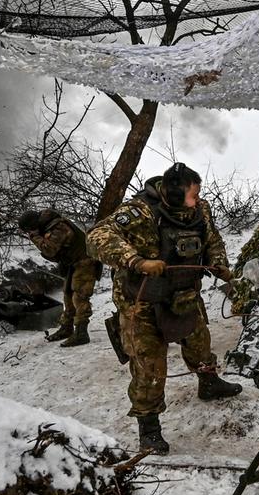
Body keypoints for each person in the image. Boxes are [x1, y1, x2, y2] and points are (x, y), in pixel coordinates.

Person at [87, 163, 241, 454]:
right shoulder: (139, 212)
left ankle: (209, 382)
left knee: (199, 342)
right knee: (150, 366)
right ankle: (149, 427)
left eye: (198, 194)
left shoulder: (200, 209)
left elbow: (212, 239)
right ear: (171, 193)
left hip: (184, 294)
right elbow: (96, 237)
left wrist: (219, 264)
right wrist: (136, 261)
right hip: (142, 303)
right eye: (192, 195)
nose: (197, 200)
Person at [17, 209, 100, 347]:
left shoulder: (58, 227)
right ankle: (67, 328)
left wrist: (35, 237)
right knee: (68, 295)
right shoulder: (48, 226)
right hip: (73, 263)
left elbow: (49, 249)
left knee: (80, 297)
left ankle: (81, 332)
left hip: (86, 261)